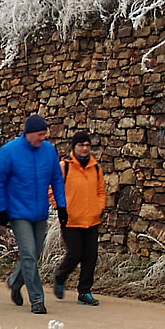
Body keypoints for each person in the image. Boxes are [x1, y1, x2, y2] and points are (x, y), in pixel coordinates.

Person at [0, 114, 67, 315]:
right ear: (29, 133)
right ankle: (37, 300)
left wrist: (62, 206)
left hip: (40, 211)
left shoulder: (49, 151)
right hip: (18, 211)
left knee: (35, 254)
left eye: (45, 134)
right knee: (28, 253)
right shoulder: (9, 152)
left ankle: (15, 282)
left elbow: (57, 180)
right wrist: (1, 208)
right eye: (40, 134)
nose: (43, 138)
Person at [52, 131, 106, 306]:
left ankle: (85, 291)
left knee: (90, 256)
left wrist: (99, 208)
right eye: (81, 145)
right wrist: (60, 207)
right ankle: (60, 277)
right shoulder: (64, 166)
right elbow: (52, 189)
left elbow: (101, 191)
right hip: (71, 219)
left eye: (87, 145)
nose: (84, 149)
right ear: (73, 147)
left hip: (91, 219)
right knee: (75, 253)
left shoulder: (96, 167)